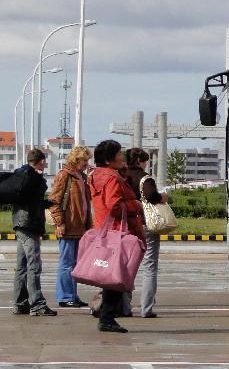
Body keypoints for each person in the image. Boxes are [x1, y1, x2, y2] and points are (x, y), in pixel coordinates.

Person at [88, 140, 145, 333]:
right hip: (117, 230)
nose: (122, 157)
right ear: (108, 159)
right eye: (119, 154)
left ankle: (107, 315)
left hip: (104, 229)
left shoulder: (95, 176)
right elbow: (114, 204)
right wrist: (135, 205)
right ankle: (107, 317)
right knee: (114, 277)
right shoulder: (112, 178)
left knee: (109, 276)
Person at [122, 148, 166, 318]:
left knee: (127, 266)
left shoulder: (122, 177)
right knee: (149, 266)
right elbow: (151, 196)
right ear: (140, 161)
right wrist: (163, 197)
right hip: (145, 224)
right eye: (145, 160)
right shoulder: (144, 178)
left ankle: (125, 306)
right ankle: (146, 308)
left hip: (127, 224)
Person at [12, 149, 56, 317]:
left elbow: (29, 201)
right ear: (41, 161)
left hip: (19, 222)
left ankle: (20, 303)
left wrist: (45, 203)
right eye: (44, 161)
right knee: (34, 265)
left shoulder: (20, 175)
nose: (45, 164)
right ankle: (37, 304)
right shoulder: (34, 178)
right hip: (29, 225)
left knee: (22, 266)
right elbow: (33, 200)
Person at [47, 146, 93, 309]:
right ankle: (65, 296)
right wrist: (60, 222)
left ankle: (72, 295)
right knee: (66, 263)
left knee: (74, 263)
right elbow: (54, 201)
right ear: (76, 160)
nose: (86, 164)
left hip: (79, 226)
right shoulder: (64, 175)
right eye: (84, 161)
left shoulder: (80, 176)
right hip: (68, 226)